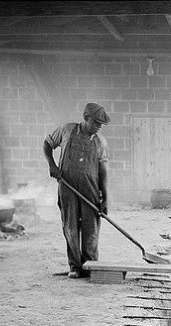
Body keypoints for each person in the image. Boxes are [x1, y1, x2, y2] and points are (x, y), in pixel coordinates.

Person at [43, 102, 110, 278]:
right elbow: (47, 144)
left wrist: (105, 198)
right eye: (96, 123)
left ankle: (90, 266)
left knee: (91, 230)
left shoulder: (100, 142)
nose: (98, 127)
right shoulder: (66, 130)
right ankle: (75, 266)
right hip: (67, 188)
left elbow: (103, 171)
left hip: (91, 191)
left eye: (100, 124)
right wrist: (52, 165)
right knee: (71, 228)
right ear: (86, 118)